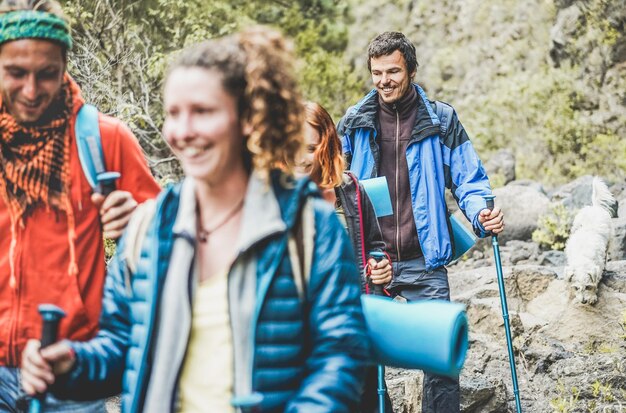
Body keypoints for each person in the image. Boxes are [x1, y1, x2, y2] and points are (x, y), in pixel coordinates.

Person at [21, 27, 369, 413]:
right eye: (173, 113)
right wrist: (72, 362)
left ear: (248, 119)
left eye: (202, 112)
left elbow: (341, 359)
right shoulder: (149, 226)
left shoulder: (310, 227)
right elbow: (122, 348)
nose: (182, 132)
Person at [0, 1, 160, 411]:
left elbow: (169, 249)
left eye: (46, 74)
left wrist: (136, 222)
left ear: (64, 64)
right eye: (15, 73)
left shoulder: (104, 139)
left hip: (72, 370)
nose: (31, 91)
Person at [337, 31, 505, 413]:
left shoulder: (441, 119)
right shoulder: (354, 122)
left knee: (441, 361)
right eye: (377, 73)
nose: (384, 81)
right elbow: (332, 180)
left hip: (424, 261)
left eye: (393, 71)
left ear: (411, 70)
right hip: (370, 262)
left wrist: (481, 214)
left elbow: (469, 179)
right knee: (361, 361)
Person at [301, 101, 394, 413]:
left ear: (327, 144)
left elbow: (375, 246)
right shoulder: (274, 196)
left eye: (311, 148)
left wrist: (380, 268)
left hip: (356, 323)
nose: (301, 158)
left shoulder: (351, 189)